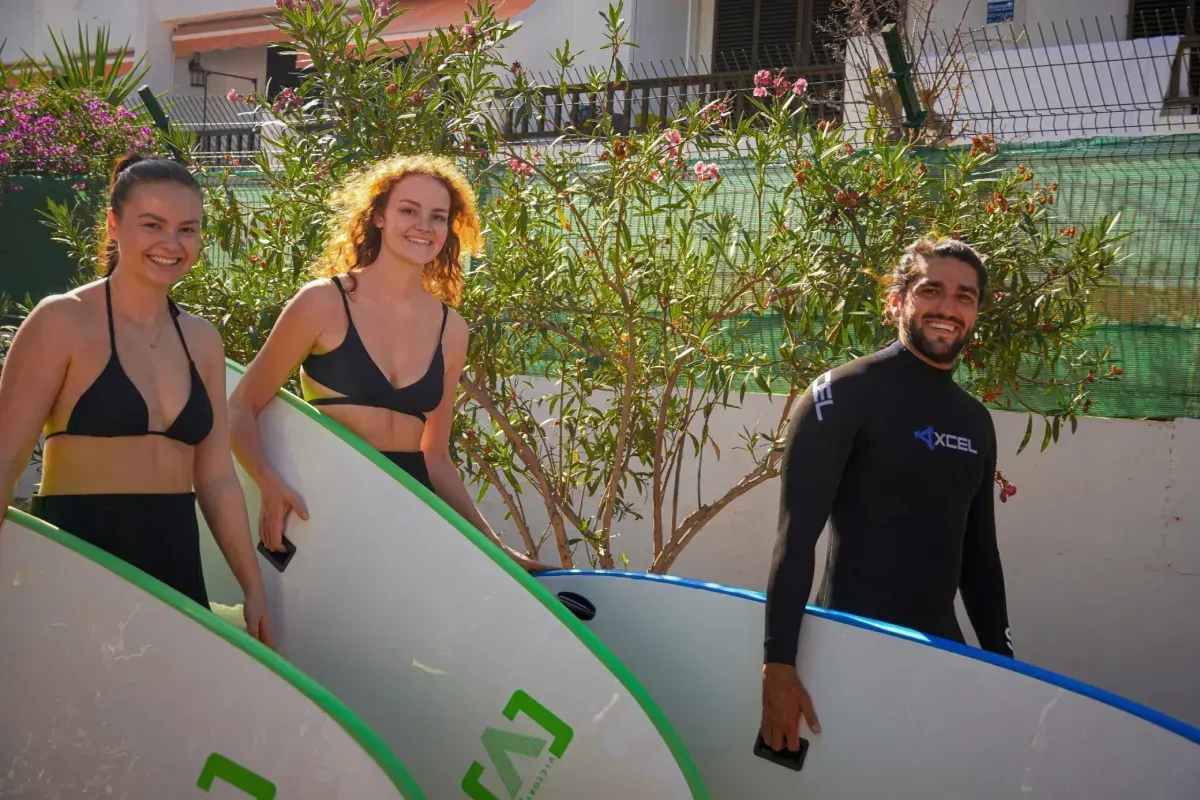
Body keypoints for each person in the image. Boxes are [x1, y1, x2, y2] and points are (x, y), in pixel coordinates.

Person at [227, 153, 554, 572]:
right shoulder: (323, 302)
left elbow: (434, 457)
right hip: (327, 515)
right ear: (379, 216)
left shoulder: (451, 329)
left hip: (411, 516)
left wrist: (497, 550)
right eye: (408, 210)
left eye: (438, 216)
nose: (424, 225)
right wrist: (267, 484)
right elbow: (241, 407)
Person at [0, 153, 274, 646]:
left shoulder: (202, 340)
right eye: (152, 225)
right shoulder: (62, 320)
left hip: (174, 560)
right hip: (79, 554)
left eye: (187, 230)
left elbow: (214, 478)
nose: (171, 244)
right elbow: (6, 457)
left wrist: (252, 586)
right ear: (113, 224)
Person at [760, 236, 1014, 753]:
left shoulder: (975, 421)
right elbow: (796, 538)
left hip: (940, 654)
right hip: (848, 649)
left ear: (977, 313)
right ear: (896, 300)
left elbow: (979, 557)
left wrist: (1003, 669)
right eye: (931, 290)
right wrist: (778, 667)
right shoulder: (841, 394)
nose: (948, 308)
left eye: (965, 297)